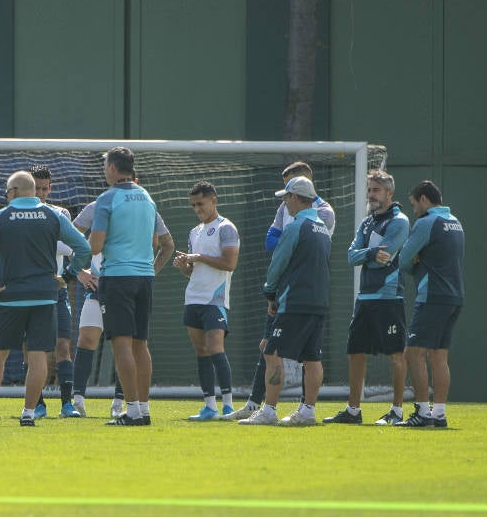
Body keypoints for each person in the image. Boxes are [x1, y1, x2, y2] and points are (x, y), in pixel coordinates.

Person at [0, 171, 90, 427]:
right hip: (45, 297)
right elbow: (83, 248)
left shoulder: (1, 216)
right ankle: (29, 414)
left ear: (14, 191)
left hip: (11, 298)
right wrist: (68, 276)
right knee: (39, 355)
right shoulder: (53, 215)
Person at [224, 161, 336, 421]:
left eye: (287, 197)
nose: (285, 201)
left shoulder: (296, 226)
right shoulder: (321, 226)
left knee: (272, 353)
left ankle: (269, 410)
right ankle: (308, 411)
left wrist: (270, 292)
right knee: (312, 357)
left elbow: (278, 262)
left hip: (295, 300)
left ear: (296, 198)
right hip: (319, 300)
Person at [70, 198, 174, 418]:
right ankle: (77, 398)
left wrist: (151, 272)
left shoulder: (148, 208)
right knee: (88, 338)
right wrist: (80, 272)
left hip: (124, 283)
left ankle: (123, 402)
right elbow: (70, 239)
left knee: (128, 344)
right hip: (101, 285)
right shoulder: (98, 206)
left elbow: (163, 244)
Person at [324, 170, 409, 425]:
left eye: (376, 190)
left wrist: (368, 255)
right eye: (370, 190)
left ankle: (396, 411)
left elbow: (389, 256)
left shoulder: (399, 221)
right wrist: (371, 253)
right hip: (365, 298)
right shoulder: (367, 222)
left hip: (389, 298)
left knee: (395, 354)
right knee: (355, 351)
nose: (371, 194)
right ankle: (353, 411)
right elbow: (352, 256)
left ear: (389, 193)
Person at [87, 148, 158, 426]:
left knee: (122, 344)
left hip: (117, 277)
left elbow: (95, 245)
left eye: (105, 165)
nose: (104, 170)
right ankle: (143, 408)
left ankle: (131, 411)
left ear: (114, 169)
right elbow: (154, 242)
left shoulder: (107, 199)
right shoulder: (147, 198)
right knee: (141, 344)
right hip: (145, 277)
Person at [395, 180, 464, 427]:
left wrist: (415, 263)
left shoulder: (426, 223)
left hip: (432, 296)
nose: (414, 211)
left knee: (412, 353)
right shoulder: (455, 222)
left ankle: (423, 413)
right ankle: (439, 414)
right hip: (454, 297)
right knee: (439, 356)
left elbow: (403, 260)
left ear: (424, 200)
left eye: (414, 205)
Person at [172, 181, 240, 421]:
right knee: (201, 351)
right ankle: (209, 406)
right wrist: (185, 266)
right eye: (193, 205)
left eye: (200, 204)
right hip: (193, 298)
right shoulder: (194, 232)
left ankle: (229, 405)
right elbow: (193, 271)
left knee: (215, 348)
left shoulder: (226, 228)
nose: (197, 209)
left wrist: (198, 256)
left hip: (215, 298)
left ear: (214, 200)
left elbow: (229, 263)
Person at [27, 166, 78, 419]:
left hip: (56, 289)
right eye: (37, 188)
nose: (42, 193)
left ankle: (67, 404)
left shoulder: (60, 213)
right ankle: (38, 405)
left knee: (63, 345)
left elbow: (70, 246)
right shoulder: (18, 213)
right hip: (29, 289)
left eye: (45, 188)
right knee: (33, 349)